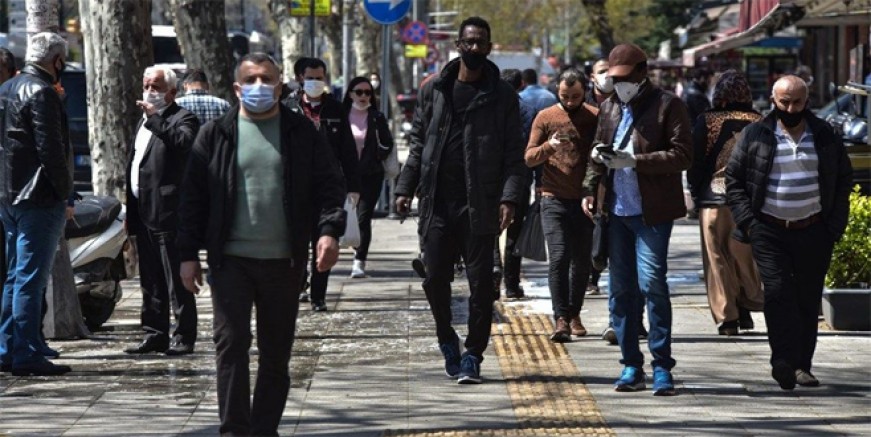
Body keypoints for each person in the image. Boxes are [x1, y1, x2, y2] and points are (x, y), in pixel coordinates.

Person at [177, 53, 346, 435]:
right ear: (237, 88)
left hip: (283, 262)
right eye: (250, 79)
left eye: (266, 78)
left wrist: (328, 232)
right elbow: (192, 200)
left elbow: (329, 186)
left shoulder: (301, 132)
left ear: (281, 84)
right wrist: (187, 256)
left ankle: (264, 428)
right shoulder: (215, 134)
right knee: (230, 344)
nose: (259, 86)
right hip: (230, 260)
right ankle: (234, 429)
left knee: (275, 353)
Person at [395, 16, 526, 384]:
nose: (473, 48)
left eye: (480, 42)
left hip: (479, 204)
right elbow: (419, 143)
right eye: (468, 42)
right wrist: (405, 187)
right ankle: (446, 338)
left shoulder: (502, 96)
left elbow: (514, 154)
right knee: (435, 277)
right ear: (457, 44)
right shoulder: (435, 88)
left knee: (481, 285)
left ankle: (473, 354)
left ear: (489, 47)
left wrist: (510, 198)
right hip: (437, 202)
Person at [725, 75, 852, 390]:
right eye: (784, 102)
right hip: (769, 230)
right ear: (773, 100)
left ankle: (802, 366)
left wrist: (833, 227)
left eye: (797, 102)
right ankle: (782, 360)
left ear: (806, 102)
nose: (790, 108)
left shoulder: (825, 135)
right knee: (779, 293)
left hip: (814, 230)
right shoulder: (756, 135)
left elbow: (844, 180)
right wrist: (749, 224)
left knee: (807, 300)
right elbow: (734, 180)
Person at [582, 43, 692, 396]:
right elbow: (595, 153)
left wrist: (634, 162)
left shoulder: (667, 105)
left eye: (627, 77)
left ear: (643, 72)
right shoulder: (609, 106)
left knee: (652, 286)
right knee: (620, 291)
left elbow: (682, 155)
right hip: (615, 211)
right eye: (615, 78)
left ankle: (662, 366)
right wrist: (592, 181)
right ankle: (631, 364)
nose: (620, 84)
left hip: (652, 213)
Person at [0, 32, 73, 376]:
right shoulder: (42, 92)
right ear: (56, 60)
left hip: (9, 198)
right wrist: (65, 193)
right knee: (29, 279)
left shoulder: (6, 89)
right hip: (37, 198)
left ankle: (7, 347)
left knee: (15, 277)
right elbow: (52, 151)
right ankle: (26, 351)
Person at [123, 65, 200, 356]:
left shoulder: (183, 118)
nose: (149, 91)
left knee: (175, 279)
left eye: (155, 86)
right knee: (150, 278)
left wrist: (155, 119)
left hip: (167, 212)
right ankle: (155, 333)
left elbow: (184, 143)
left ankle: (184, 335)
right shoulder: (144, 122)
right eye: (146, 85)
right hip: (142, 211)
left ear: (171, 91)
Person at [687, 70, 764, 336]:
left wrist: (695, 193)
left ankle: (728, 318)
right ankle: (745, 308)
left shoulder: (706, 121)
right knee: (743, 257)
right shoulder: (759, 121)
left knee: (717, 258)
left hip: (713, 200)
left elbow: (695, 162)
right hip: (748, 203)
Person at [524, 68, 598, 342]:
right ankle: (561, 318)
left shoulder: (594, 116)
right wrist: (548, 148)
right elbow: (529, 157)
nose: (570, 102)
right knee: (559, 257)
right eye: (565, 96)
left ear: (584, 92)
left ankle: (574, 312)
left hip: (583, 201)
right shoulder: (545, 117)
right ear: (557, 91)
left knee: (581, 262)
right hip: (552, 198)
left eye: (575, 96)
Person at [284, 57, 360, 312]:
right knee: (296, 243)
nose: (316, 82)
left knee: (325, 239)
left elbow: (348, 150)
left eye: (320, 77)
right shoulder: (287, 108)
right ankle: (296, 286)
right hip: (295, 187)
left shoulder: (336, 110)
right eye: (311, 77)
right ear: (299, 78)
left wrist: (353, 185)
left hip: (328, 186)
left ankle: (319, 295)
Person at [341, 76, 393, 278]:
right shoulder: (341, 115)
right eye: (359, 92)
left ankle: (359, 261)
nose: (363, 96)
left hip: (370, 175)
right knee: (341, 216)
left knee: (363, 218)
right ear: (350, 93)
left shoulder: (376, 117)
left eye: (368, 92)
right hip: (344, 175)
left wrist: (376, 155)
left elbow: (387, 142)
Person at [493, 68, 535, 299]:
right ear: (521, 86)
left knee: (490, 228)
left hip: (492, 179)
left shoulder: (490, 109)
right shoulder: (528, 112)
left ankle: (494, 267)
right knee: (514, 233)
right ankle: (511, 284)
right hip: (520, 178)